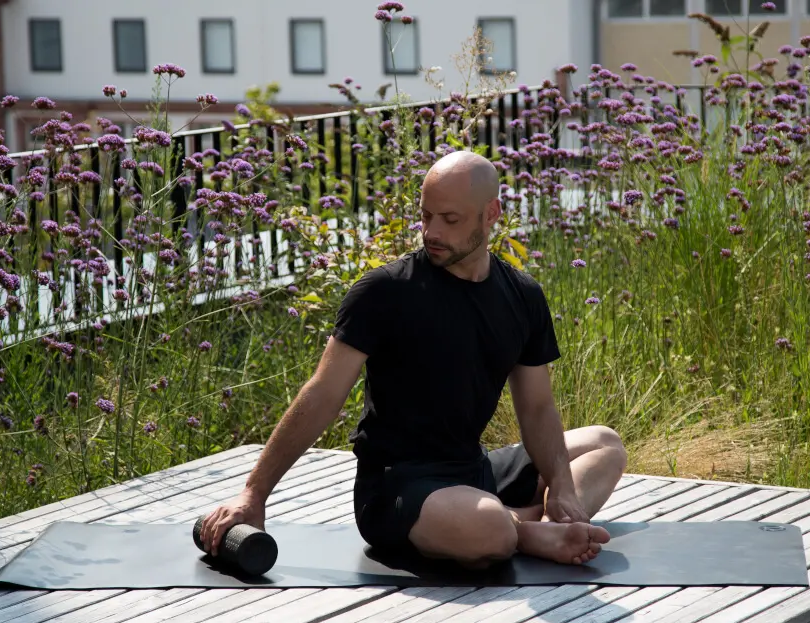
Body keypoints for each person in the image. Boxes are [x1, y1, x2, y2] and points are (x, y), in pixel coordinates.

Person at [200, 150, 627, 569]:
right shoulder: (384, 291)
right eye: (426, 216)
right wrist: (254, 494)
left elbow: (537, 408)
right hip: (398, 485)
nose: (432, 231)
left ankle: (547, 522)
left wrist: (563, 487)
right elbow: (322, 396)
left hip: (472, 469)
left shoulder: (522, 296)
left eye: (451, 219)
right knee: (490, 528)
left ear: (491, 213)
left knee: (605, 444)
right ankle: (526, 530)